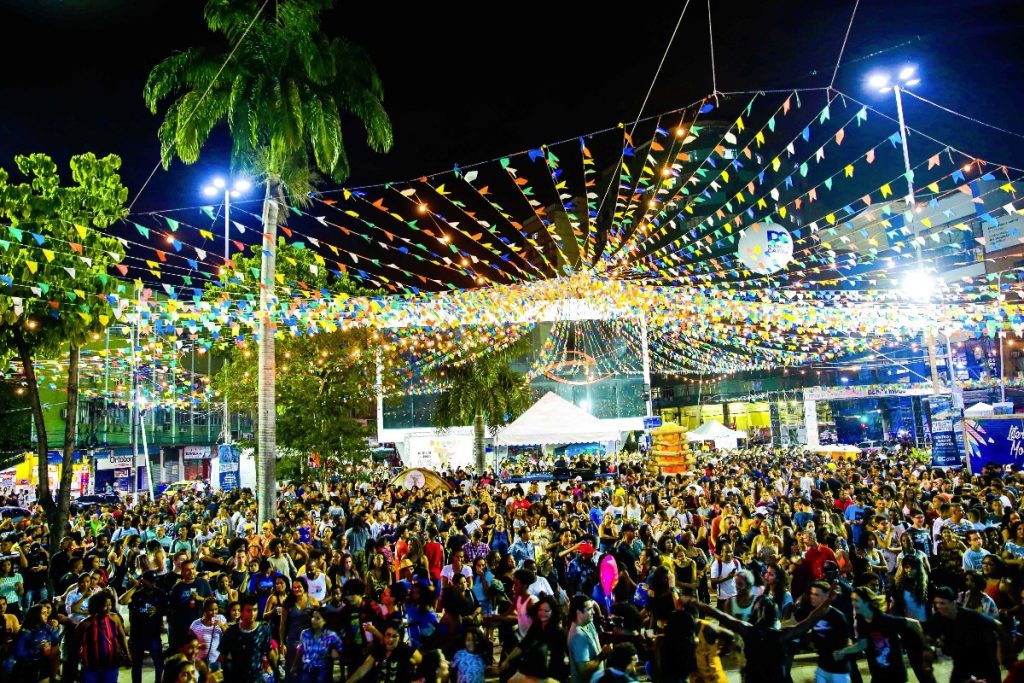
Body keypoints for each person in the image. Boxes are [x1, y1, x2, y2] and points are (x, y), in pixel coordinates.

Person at [832, 587, 926, 683]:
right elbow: (862, 645)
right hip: (878, 674)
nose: (853, 603)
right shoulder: (861, 622)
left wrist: (925, 646)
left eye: (856, 600)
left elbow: (914, 623)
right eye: (852, 600)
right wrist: (843, 652)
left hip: (895, 675)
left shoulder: (885, 620)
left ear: (867, 602)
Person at [926, 585, 1008, 683]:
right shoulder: (938, 618)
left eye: (942, 603)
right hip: (961, 662)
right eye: (936, 603)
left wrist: (1005, 650)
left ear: (953, 603)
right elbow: (929, 637)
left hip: (983, 661)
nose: (938, 606)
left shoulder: (970, 615)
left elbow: (997, 625)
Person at [121, 569, 167, 683]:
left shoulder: (160, 593)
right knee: (137, 665)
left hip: (153, 635)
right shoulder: (137, 594)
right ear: (143, 581)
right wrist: (135, 587)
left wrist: (158, 611)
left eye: (154, 581)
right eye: (150, 581)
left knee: (158, 663)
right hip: (137, 636)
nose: (153, 584)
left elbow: (168, 610)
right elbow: (123, 600)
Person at [219, 595, 277, 683]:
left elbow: (269, 653)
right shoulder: (232, 632)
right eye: (249, 610)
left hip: (256, 678)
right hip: (235, 678)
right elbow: (222, 656)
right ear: (242, 611)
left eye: (255, 610)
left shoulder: (264, 630)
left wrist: (276, 672)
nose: (253, 613)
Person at [77, 591, 130, 683]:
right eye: (105, 605)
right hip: (91, 667)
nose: (108, 608)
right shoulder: (85, 624)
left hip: (111, 666)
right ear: (97, 606)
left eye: (110, 605)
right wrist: (74, 668)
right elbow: (74, 647)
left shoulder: (114, 618)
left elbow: (121, 637)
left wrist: (127, 653)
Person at [345, 623, 422, 683]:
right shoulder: (379, 649)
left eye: (394, 636)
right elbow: (362, 670)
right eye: (388, 635)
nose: (390, 639)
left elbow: (421, 662)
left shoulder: (406, 650)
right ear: (384, 635)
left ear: (400, 638)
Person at [567, 595, 612, 683]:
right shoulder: (578, 635)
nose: (593, 612)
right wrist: (602, 655)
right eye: (589, 609)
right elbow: (583, 670)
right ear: (579, 612)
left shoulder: (588, 623)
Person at [292, 607, 342, 683]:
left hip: (323, 671)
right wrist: (294, 665)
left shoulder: (331, 635)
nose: (313, 620)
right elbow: (300, 650)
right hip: (307, 669)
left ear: (325, 621)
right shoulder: (305, 633)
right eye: (313, 617)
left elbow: (341, 649)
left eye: (317, 618)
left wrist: (332, 654)